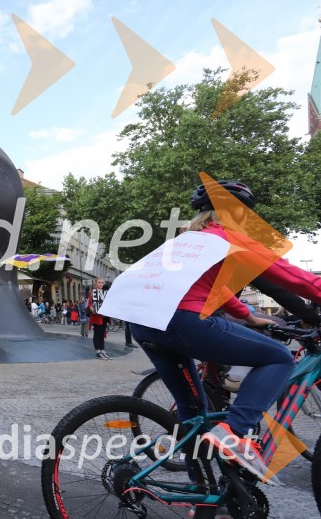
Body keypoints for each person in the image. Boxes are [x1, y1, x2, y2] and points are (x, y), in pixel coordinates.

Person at [126, 180, 321, 485]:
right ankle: (235, 432)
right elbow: (295, 278)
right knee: (280, 358)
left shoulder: (188, 241)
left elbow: (215, 288)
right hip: (184, 320)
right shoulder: (228, 238)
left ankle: (204, 496)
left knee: (191, 413)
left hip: (143, 323)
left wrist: (247, 316)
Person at [88, 278, 111, 360]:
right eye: (99, 282)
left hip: (104, 316)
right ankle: (98, 351)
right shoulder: (92, 293)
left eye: (102, 282)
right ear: (95, 283)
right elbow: (90, 304)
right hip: (97, 317)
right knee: (97, 334)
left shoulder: (105, 293)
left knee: (102, 334)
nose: (101, 284)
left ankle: (102, 350)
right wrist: (91, 308)